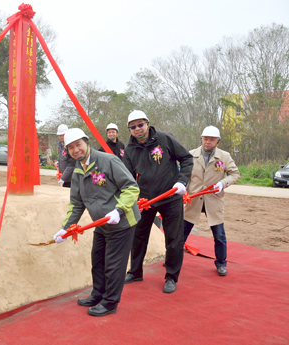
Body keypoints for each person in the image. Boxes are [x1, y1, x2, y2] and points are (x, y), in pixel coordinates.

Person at [53, 128, 141, 317]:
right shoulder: (77, 170)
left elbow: (131, 187)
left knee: (113, 264)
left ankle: (110, 302)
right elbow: (76, 203)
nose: (76, 150)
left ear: (87, 143)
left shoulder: (108, 161)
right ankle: (98, 294)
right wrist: (65, 229)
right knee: (98, 261)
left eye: (78, 145)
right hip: (101, 223)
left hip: (122, 221)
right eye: (71, 147)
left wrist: (119, 210)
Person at [122, 110, 193, 294]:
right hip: (145, 200)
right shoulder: (129, 149)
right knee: (138, 236)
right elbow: (128, 177)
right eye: (133, 126)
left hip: (170, 196)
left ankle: (171, 276)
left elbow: (186, 159)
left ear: (147, 123)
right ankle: (135, 271)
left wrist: (182, 181)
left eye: (140, 124)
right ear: (130, 129)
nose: (138, 129)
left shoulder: (165, 139)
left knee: (173, 238)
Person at [184, 126, 240, 276]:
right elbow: (185, 176)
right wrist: (184, 190)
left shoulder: (225, 156)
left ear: (218, 142)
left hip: (213, 200)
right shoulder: (191, 155)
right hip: (193, 199)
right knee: (181, 233)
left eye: (212, 139)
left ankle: (221, 263)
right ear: (201, 139)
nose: (208, 142)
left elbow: (234, 174)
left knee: (219, 235)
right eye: (205, 139)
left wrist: (222, 184)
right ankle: (172, 259)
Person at [56, 124, 76, 188]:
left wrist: (63, 177)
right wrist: (59, 161)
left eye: (63, 135)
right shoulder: (62, 145)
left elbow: (71, 165)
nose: (61, 137)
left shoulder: (71, 146)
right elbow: (63, 156)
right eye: (59, 135)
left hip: (71, 178)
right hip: (65, 177)